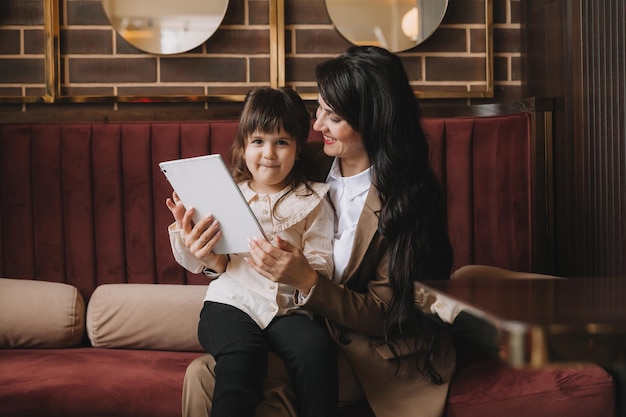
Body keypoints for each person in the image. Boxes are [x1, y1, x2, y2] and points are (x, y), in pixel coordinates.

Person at [180, 45, 457, 417]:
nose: (316, 125)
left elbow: (386, 314)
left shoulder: (410, 202)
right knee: (111, 310)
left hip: (353, 342)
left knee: (204, 375)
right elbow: (245, 206)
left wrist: (309, 281)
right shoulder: (303, 159)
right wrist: (211, 257)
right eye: (319, 108)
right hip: (264, 303)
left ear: (371, 120)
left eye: (333, 115)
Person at [166, 87, 338, 417]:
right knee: (244, 354)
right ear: (243, 145)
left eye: (282, 142)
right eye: (258, 141)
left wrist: (298, 266)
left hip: (286, 310)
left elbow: (322, 261)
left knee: (316, 350)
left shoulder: (314, 201)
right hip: (230, 303)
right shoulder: (223, 192)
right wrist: (191, 238)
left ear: (298, 149)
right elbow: (199, 260)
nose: (269, 153)